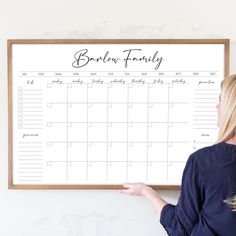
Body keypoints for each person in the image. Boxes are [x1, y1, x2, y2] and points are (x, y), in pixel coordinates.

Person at [119, 75, 236, 235]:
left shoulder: (202, 162)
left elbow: (181, 228)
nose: (217, 106)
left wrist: (147, 192)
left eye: (221, 100)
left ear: (230, 108)